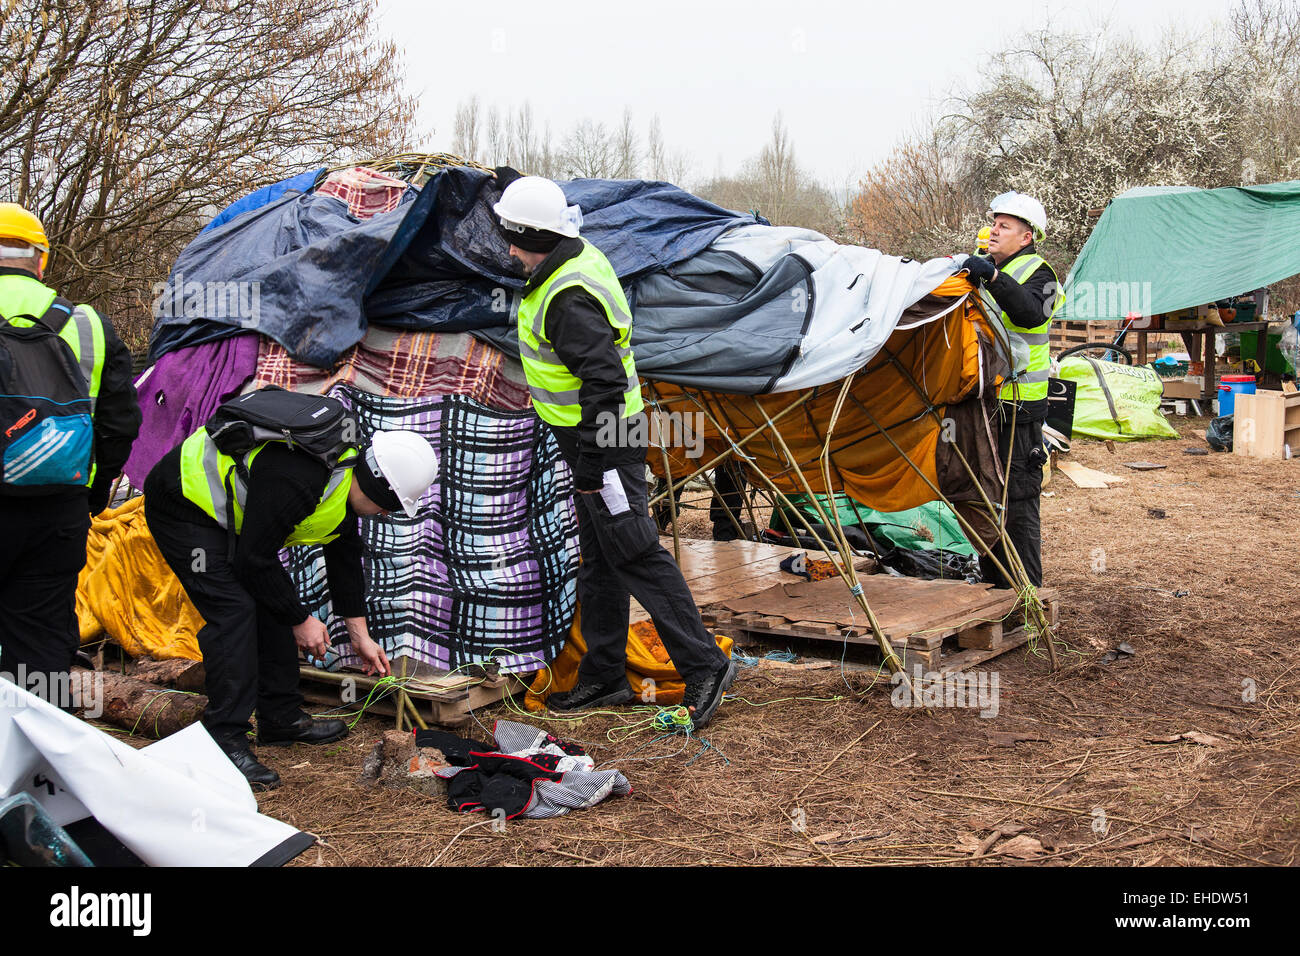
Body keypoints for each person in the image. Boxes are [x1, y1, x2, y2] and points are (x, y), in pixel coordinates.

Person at [491, 172, 736, 728]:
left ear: (540, 236)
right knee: (601, 557)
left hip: (603, 442)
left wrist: (593, 467)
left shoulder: (568, 297)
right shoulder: (568, 255)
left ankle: (704, 664)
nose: (509, 249)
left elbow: (600, 382)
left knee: (634, 551)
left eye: (516, 237)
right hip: (592, 438)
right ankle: (605, 674)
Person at [143, 404, 438, 790]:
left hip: (232, 524)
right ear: (380, 485)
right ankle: (224, 738)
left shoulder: (345, 483)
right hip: (182, 505)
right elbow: (253, 560)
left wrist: (360, 636)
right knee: (234, 611)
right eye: (391, 505)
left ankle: (281, 718)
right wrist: (301, 620)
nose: (385, 514)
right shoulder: (299, 477)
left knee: (272, 599)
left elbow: (345, 561)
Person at [0, 203, 141, 705]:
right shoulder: (87, 324)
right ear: (40, 260)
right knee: (40, 646)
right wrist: (91, 494)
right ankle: (36, 768)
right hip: (57, 506)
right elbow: (121, 422)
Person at [963, 192, 1062, 589]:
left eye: (1004, 226)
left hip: (1020, 407)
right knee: (985, 496)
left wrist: (991, 277)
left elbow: (1031, 312)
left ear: (1026, 237)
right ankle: (996, 587)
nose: (993, 230)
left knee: (1018, 499)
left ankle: (1025, 593)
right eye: (993, 223)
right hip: (983, 402)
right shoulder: (985, 267)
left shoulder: (1044, 275)